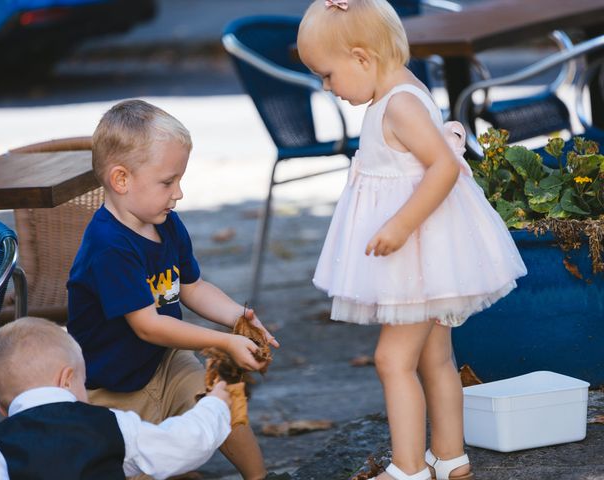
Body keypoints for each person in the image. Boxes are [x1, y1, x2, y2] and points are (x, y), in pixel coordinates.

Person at [297, 1, 527, 479]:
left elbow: (443, 167)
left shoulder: (398, 103)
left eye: (327, 75)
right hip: (429, 254)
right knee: (436, 357)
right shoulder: (403, 89)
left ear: (362, 58)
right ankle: (451, 458)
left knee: (391, 359)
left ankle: (407, 467)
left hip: (416, 252)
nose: (327, 88)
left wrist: (399, 225)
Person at [66, 99, 279, 480]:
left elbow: (193, 287)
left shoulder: (167, 224)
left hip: (164, 360)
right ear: (121, 180)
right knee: (138, 464)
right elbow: (147, 325)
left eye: (179, 179)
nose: (178, 193)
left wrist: (238, 317)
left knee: (225, 401)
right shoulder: (108, 245)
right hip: (112, 389)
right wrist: (222, 344)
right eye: (168, 182)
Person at [0, 317, 233, 479]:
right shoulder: (110, 425)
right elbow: (184, 444)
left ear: (1, 407)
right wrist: (216, 402)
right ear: (66, 379)